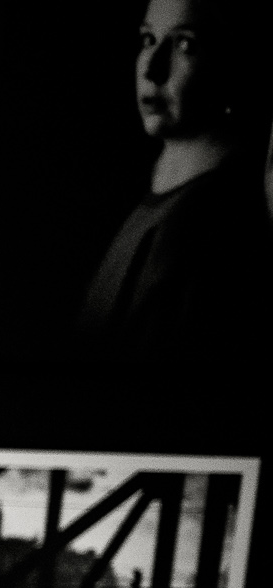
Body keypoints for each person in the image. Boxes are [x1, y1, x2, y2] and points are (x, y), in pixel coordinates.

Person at [75, 0, 273, 357]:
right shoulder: (153, 190)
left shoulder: (218, 220)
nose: (151, 69)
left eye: (185, 45)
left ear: (231, 61)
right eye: (148, 39)